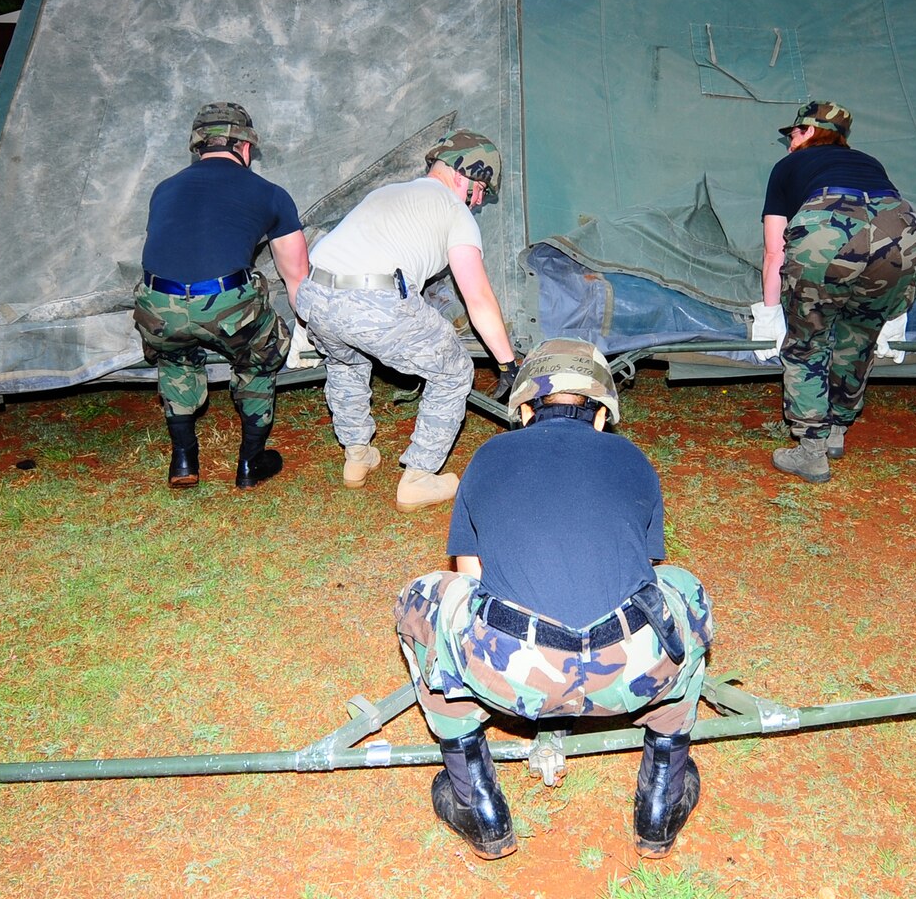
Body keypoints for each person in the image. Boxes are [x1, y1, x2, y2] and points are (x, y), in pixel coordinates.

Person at [392, 339, 714, 860]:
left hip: (512, 674)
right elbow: (644, 578)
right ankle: (662, 798)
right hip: (627, 673)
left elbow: (472, 581)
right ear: (603, 415)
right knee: (683, 588)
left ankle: (478, 805)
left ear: (523, 410)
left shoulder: (489, 455)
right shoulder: (634, 459)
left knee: (427, 594)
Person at [295, 130, 518, 512]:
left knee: (346, 361)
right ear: (463, 173)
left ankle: (357, 456)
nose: (480, 200)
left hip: (314, 294)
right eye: (481, 188)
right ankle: (418, 478)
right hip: (373, 300)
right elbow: (478, 298)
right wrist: (507, 363)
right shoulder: (454, 212)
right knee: (452, 371)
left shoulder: (386, 192)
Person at [134, 102, 310, 489]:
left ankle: (183, 461)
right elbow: (297, 276)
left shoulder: (163, 189)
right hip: (225, 304)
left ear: (197, 145)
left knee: (175, 357)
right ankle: (251, 464)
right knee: (259, 359)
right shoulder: (270, 193)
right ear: (245, 147)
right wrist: (306, 330)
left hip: (157, 304)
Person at [750, 101, 916, 483]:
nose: (789, 142)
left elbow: (774, 251)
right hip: (901, 229)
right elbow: (880, 221)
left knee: (807, 341)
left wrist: (768, 315)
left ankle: (811, 451)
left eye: (793, 134)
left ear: (809, 132)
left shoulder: (788, 167)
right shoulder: (869, 162)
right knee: (860, 334)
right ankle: (836, 431)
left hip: (829, 227)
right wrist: (893, 313)